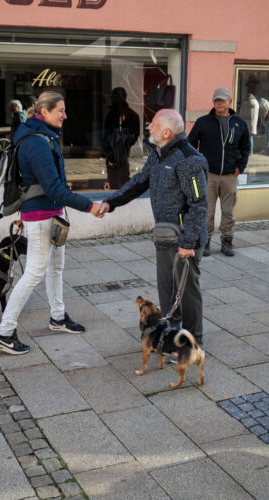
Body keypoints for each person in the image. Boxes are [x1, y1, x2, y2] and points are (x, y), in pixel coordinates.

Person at [0, 91, 104, 355]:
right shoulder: (37, 142)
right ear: (43, 112)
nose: (65, 115)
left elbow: (31, 181)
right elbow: (54, 189)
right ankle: (5, 332)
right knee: (33, 273)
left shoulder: (40, 135)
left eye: (64, 109)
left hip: (50, 213)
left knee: (56, 267)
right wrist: (91, 206)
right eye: (60, 110)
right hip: (43, 216)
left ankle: (58, 317)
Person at [99, 109, 208, 346]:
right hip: (164, 237)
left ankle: (193, 342)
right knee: (168, 294)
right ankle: (172, 337)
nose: (149, 127)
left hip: (184, 241)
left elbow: (199, 204)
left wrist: (188, 242)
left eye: (154, 125)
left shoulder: (189, 159)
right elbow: (139, 182)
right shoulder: (158, 155)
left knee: (187, 294)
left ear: (167, 132)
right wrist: (111, 202)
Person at [188, 87, 249, 257]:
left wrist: (240, 167)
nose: (219, 103)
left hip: (230, 176)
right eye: (216, 100)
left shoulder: (239, 123)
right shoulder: (203, 122)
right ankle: (205, 242)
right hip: (209, 175)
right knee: (207, 210)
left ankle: (227, 241)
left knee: (228, 211)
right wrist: (197, 165)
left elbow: (246, 148)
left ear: (230, 101)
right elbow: (190, 145)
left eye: (222, 100)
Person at [101, 87, 140, 189]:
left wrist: (126, 143)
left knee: (120, 171)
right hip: (114, 149)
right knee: (116, 171)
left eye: (115, 97)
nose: (114, 99)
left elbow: (135, 134)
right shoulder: (112, 114)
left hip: (121, 149)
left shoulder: (131, 115)